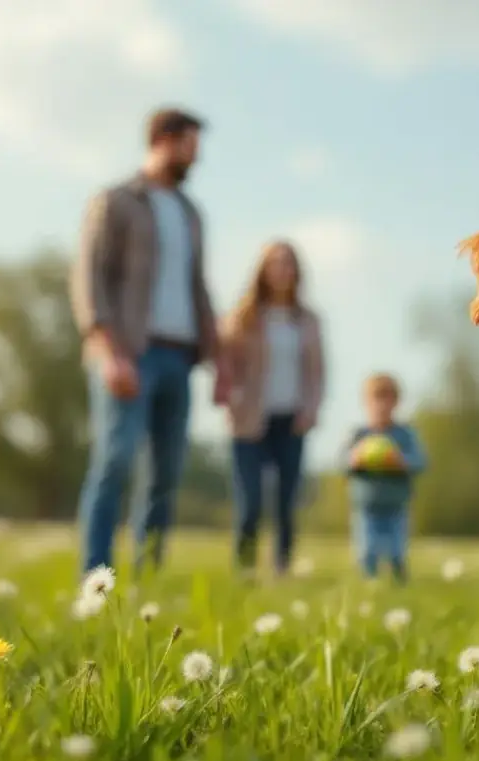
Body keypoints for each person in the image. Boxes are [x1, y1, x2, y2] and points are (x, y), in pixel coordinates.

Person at [70, 107, 225, 575]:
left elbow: (198, 286)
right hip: (129, 353)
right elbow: (88, 276)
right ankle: (96, 576)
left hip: (180, 357)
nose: (195, 158)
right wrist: (108, 350)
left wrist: (219, 360)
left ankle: (148, 576)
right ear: (163, 139)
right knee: (114, 463)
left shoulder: (189, 212)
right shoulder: (117, 200)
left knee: (165, 475)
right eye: (189, 146)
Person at [217, 241, 326, 576]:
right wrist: (231, 397)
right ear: (263, 271)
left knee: (286, 502)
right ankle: (245, 568)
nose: (282, 270)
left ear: (297, 272)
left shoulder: (307, 320)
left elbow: (317, 371)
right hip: (249, 419)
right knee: (250, 502)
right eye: (275, 263)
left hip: (291, 418)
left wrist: (312, 408)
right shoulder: (243, 316)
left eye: (288, 263)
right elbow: (224, 362)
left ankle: (282, 567)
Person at [344, 373, 426, 583]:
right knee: (367, 549)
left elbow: (421, 461)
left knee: (397, 548)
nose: (381, 406)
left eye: (386, 399)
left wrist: (400, 462)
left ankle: (399, 578)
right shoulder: (359, 435)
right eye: (376, 399)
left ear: (396, 402)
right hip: (366, 505)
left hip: (396, 504)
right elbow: (342, 462)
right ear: (366, 403)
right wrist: (355, 459)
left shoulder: (404, 434)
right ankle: (370, 582)